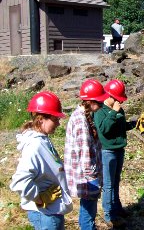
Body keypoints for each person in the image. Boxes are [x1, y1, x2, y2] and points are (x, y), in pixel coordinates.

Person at [10, 91, 73, 230]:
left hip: (51, 211)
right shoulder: (35, 146)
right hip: (45, 214)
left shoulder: (43, 140)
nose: (58, 123)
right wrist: (39, 198)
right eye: (55, 118)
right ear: (40, 119)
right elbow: (20, 181)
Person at [64, 79, 109, 230]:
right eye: (99, 102)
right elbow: (85, 156)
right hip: (86, 176)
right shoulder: (80, 121)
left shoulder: (87, 115)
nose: (102, 105)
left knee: (89, 207)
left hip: (89, 174)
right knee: (88, 211)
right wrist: (93, 179)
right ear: (89, 101)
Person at [93, 79, 135, 227]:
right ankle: (109, 214)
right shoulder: (100, 111)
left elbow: (120, 127)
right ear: (109, 96)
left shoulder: (118, 110)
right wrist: (113, 112)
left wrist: (134, 124)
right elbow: (104, 129)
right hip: (108, 151)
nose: (120, 103)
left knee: (116, 181)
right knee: (108, 184)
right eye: (118, 99)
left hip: (119, 149)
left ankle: (117, 207)